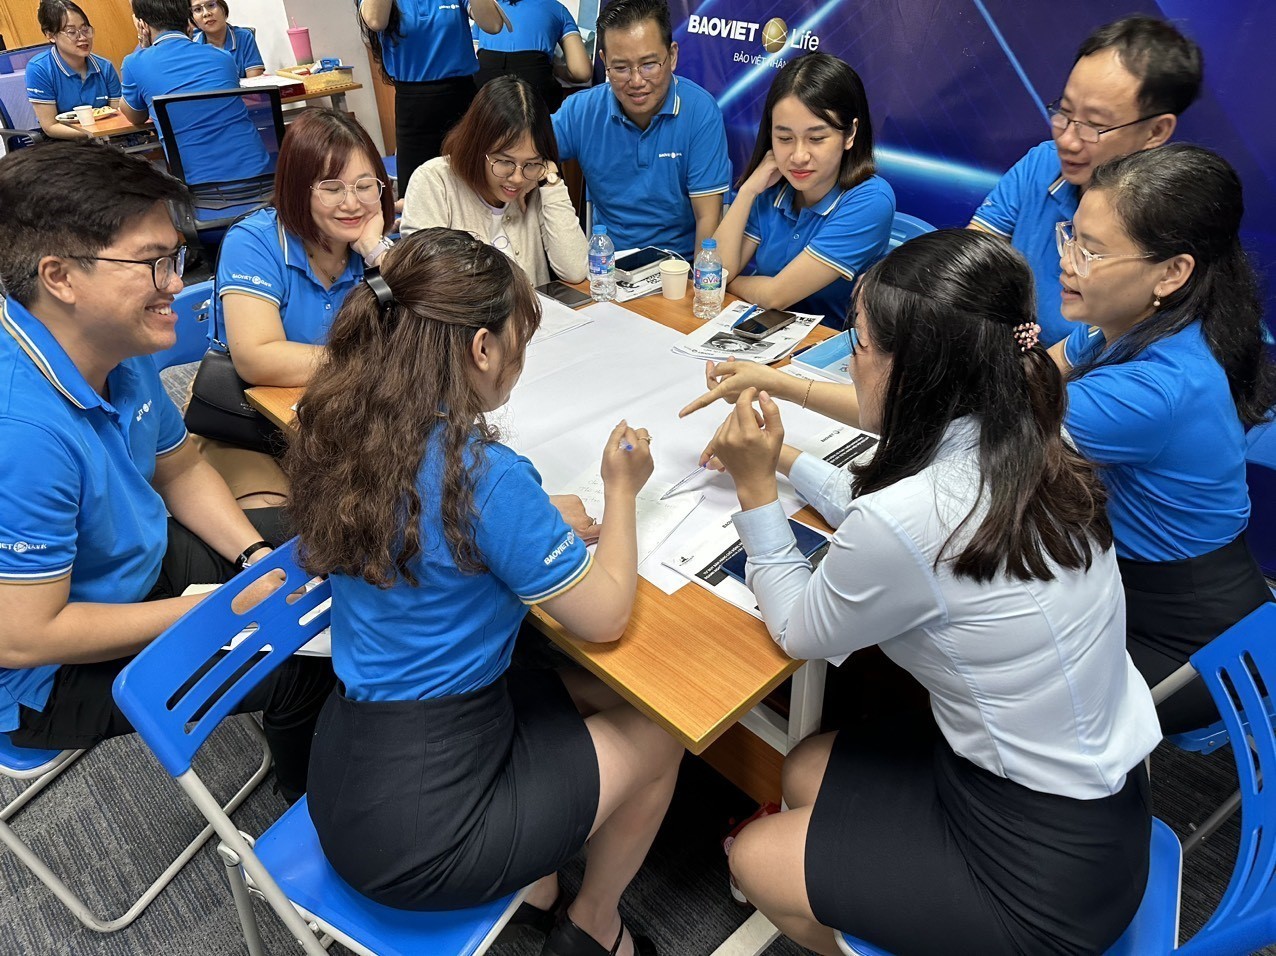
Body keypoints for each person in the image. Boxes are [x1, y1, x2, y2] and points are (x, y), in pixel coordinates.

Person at [700, 229, 1159, 955]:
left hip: (1043, 874)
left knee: (755, 858)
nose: (848, 360)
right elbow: (907, 523)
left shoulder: (915, 514)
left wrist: (757, 487)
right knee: (804, 766)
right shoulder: (1030, 432)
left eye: (857, 343)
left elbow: (797, 627)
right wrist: (782, 458)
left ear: (917, 371)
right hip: (1095, 795)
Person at [285, 227, 683, 956]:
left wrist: (528, 522)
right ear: (481, 348)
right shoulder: (482, 477)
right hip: (423, 830)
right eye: (518, 342)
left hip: (347, 763)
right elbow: (604, 614)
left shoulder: (345, 428)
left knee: (577, 689)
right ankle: (595, 927)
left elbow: (433, 526)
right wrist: (621, 489)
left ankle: (537, 885)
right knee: (662, 730)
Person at [0, 140, 333, 803]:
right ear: (60, 277)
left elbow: (178, 468)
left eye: (175, 259)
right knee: (308, 665)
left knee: (330, 544)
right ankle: (319, 813)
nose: (177, 285)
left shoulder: (114, 341)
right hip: (45, 673)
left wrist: (251, 558)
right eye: (154, 263)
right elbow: (24, 636)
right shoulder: (23, 436)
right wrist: (213, 609)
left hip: (133, 565)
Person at [1050, 144, 1276, 734]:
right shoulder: (1134, 321)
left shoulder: (1152, 391)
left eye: (1092, 251)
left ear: (1172, 272)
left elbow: (982, 423)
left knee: (1005, 690)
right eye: (1071, 237)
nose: (1068, 263)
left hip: (1193, 641)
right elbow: (1034, 379)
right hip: (1153, 585)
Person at [969, 16, 1202, 346]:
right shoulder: (1044, 163)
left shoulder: (1170, 229)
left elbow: (1112, 347)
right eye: (1064, 112)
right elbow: (973, 255)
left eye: (1094, 125)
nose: (1067, 140)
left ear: (1156, 131)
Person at [207, 108, 395, 509]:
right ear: (298, 188)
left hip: (349, 421)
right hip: (255, 428)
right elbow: (257, 358)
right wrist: (369, 361)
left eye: (365, 186)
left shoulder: (370, 248)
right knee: (296, 522)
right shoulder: (255, 242)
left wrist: (377, 252)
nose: (352, 203)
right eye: (332, 188)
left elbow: (427, 329)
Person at [713, 53, 894, 327]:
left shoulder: (871, 200)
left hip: (829, 342)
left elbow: (775, 296)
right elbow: (714, 274)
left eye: (816, 138)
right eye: (785, 138)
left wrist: (731, 282)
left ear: (850, 134)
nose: (798, 156)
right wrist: (748, 191)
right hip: (761, 331)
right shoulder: (771, 186)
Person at [552, 0, 730, 259]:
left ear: (672, 56)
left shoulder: (700, 111)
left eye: (648, 65)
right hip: (607, 266)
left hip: (679, 266)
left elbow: (708, 219)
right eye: (620, 68)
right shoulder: (582, 110)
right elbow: (525, 149)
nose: (636, 81)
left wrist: (695, 280)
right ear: (604, 61)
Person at [401, 76, 587, 286]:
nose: (517, 178)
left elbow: (575, 270)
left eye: (531, 163)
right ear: (477, 147)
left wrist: (551, 181)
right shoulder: (435, 181)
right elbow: (426, 282)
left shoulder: (536, 180)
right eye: (505, 162)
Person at [358, 0, 506, 193]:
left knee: (472, 188)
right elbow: (375, 21)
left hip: (461, 100)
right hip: (413, 107)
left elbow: (493, 25)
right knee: (417, 192)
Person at [121, 0, 272, 187]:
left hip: (200, 188)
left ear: (142, 25)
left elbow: (135, 116)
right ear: (189, 19)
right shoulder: (223, 58)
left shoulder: (134, 63)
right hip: (261, 177)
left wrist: (144, 49)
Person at [25, 0, 123, 142]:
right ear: (50, 35)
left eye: (85, 29)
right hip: (65, 143)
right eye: (71, 32)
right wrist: (94, 134)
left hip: (107, 139)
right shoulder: (39, 69)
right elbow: (50, 126)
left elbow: (117, 114)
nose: (82, 38)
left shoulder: (105, 67)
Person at [472, 0, 592, 113]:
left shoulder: (485, 13)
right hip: (536, 92)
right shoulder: (558, 10)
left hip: (485, 95)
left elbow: (472, 61)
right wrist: (557, 69)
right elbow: (582, 72)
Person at [190, 0, 266, 78]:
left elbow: (255, 81)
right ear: (193, 19)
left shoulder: (244, 37)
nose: (206, 13)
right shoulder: (192, 45)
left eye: (211, 5)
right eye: (197, 9)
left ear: (223, 8)